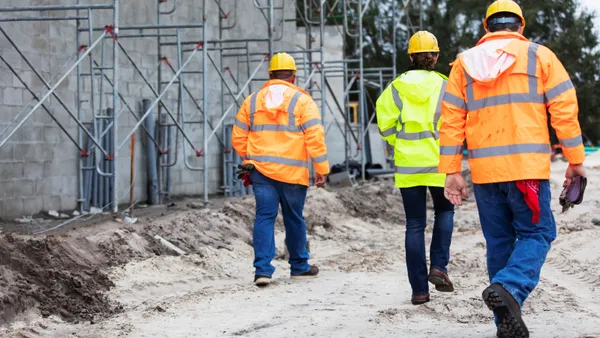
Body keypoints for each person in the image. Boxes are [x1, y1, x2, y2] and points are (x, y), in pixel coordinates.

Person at [438, 1, 586, 337]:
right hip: (526, 170)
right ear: (521, 25)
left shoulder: (463, 64)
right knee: (537, 233)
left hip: (485, 173)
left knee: (499, 242)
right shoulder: (539, 56)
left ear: (485, 26)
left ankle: (506, 324)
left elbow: (450, 121)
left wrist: (452, 170)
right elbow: (564, 110)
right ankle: (511, 286)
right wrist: (575, 161)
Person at [231, 52, 330, 287]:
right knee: (294, 218)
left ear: (270, 75)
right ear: (293, 77)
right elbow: (315, 136)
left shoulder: (252, 101)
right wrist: (321, 167)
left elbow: (238, 136)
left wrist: (250, 159)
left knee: (264, 217)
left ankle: (262, 271)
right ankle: (299, 267)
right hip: (293, 174)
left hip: (261, 172)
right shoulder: (303, 101)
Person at [375, 31, 455, 306]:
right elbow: (456, 123)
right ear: (435, 57)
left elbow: (384, 124)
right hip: (440, 162)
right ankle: (439, 267)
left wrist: (400, 141)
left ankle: (419, 291)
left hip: (409, 164)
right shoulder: (446, 85)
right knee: (445, 211)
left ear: (410, 57)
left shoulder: (396, 87)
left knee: (415, 224)